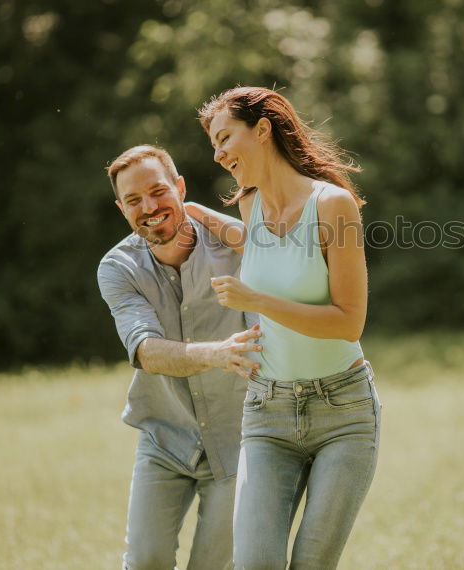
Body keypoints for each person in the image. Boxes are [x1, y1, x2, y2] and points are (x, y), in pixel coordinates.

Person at [187, 87, 380, 569]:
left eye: (226, 136)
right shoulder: (251, 208)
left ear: (263, 129)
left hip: (344, 412)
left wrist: (256, 301)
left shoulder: (333, 205)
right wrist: (201, 215)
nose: (218, 152)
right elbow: (267, 248)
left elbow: (349, 320)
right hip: (268, 412)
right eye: (214, 144)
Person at [97, 144, 263, 570]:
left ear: (180, 187)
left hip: (237, 440)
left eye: (158, 191)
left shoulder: (230, 247)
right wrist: (218, 353)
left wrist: (206, 215)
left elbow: (276, 249)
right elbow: (146, 351)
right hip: (164, 437)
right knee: (146, 560)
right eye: (133, 200)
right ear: (122, 209)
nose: (148, 207)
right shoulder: (118, 268)